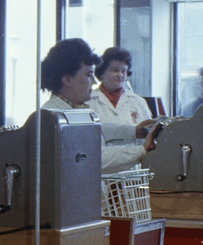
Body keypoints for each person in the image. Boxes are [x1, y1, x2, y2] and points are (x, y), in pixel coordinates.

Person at [39, 38, 159, 173]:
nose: (94, 81)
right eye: (89, 75)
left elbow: (99, 130)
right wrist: (141, 150)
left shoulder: (72, 110)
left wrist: (134, 131)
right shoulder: (54, 118)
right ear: (68, 80)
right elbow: (94, 158)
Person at [90, 47, 157, 144]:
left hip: (135, 153)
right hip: (102, 154)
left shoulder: (138, 102)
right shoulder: (89, 101)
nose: (120, 75)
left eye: (123, 71)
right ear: (102, 73)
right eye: (115, 70)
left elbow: (149, 137)